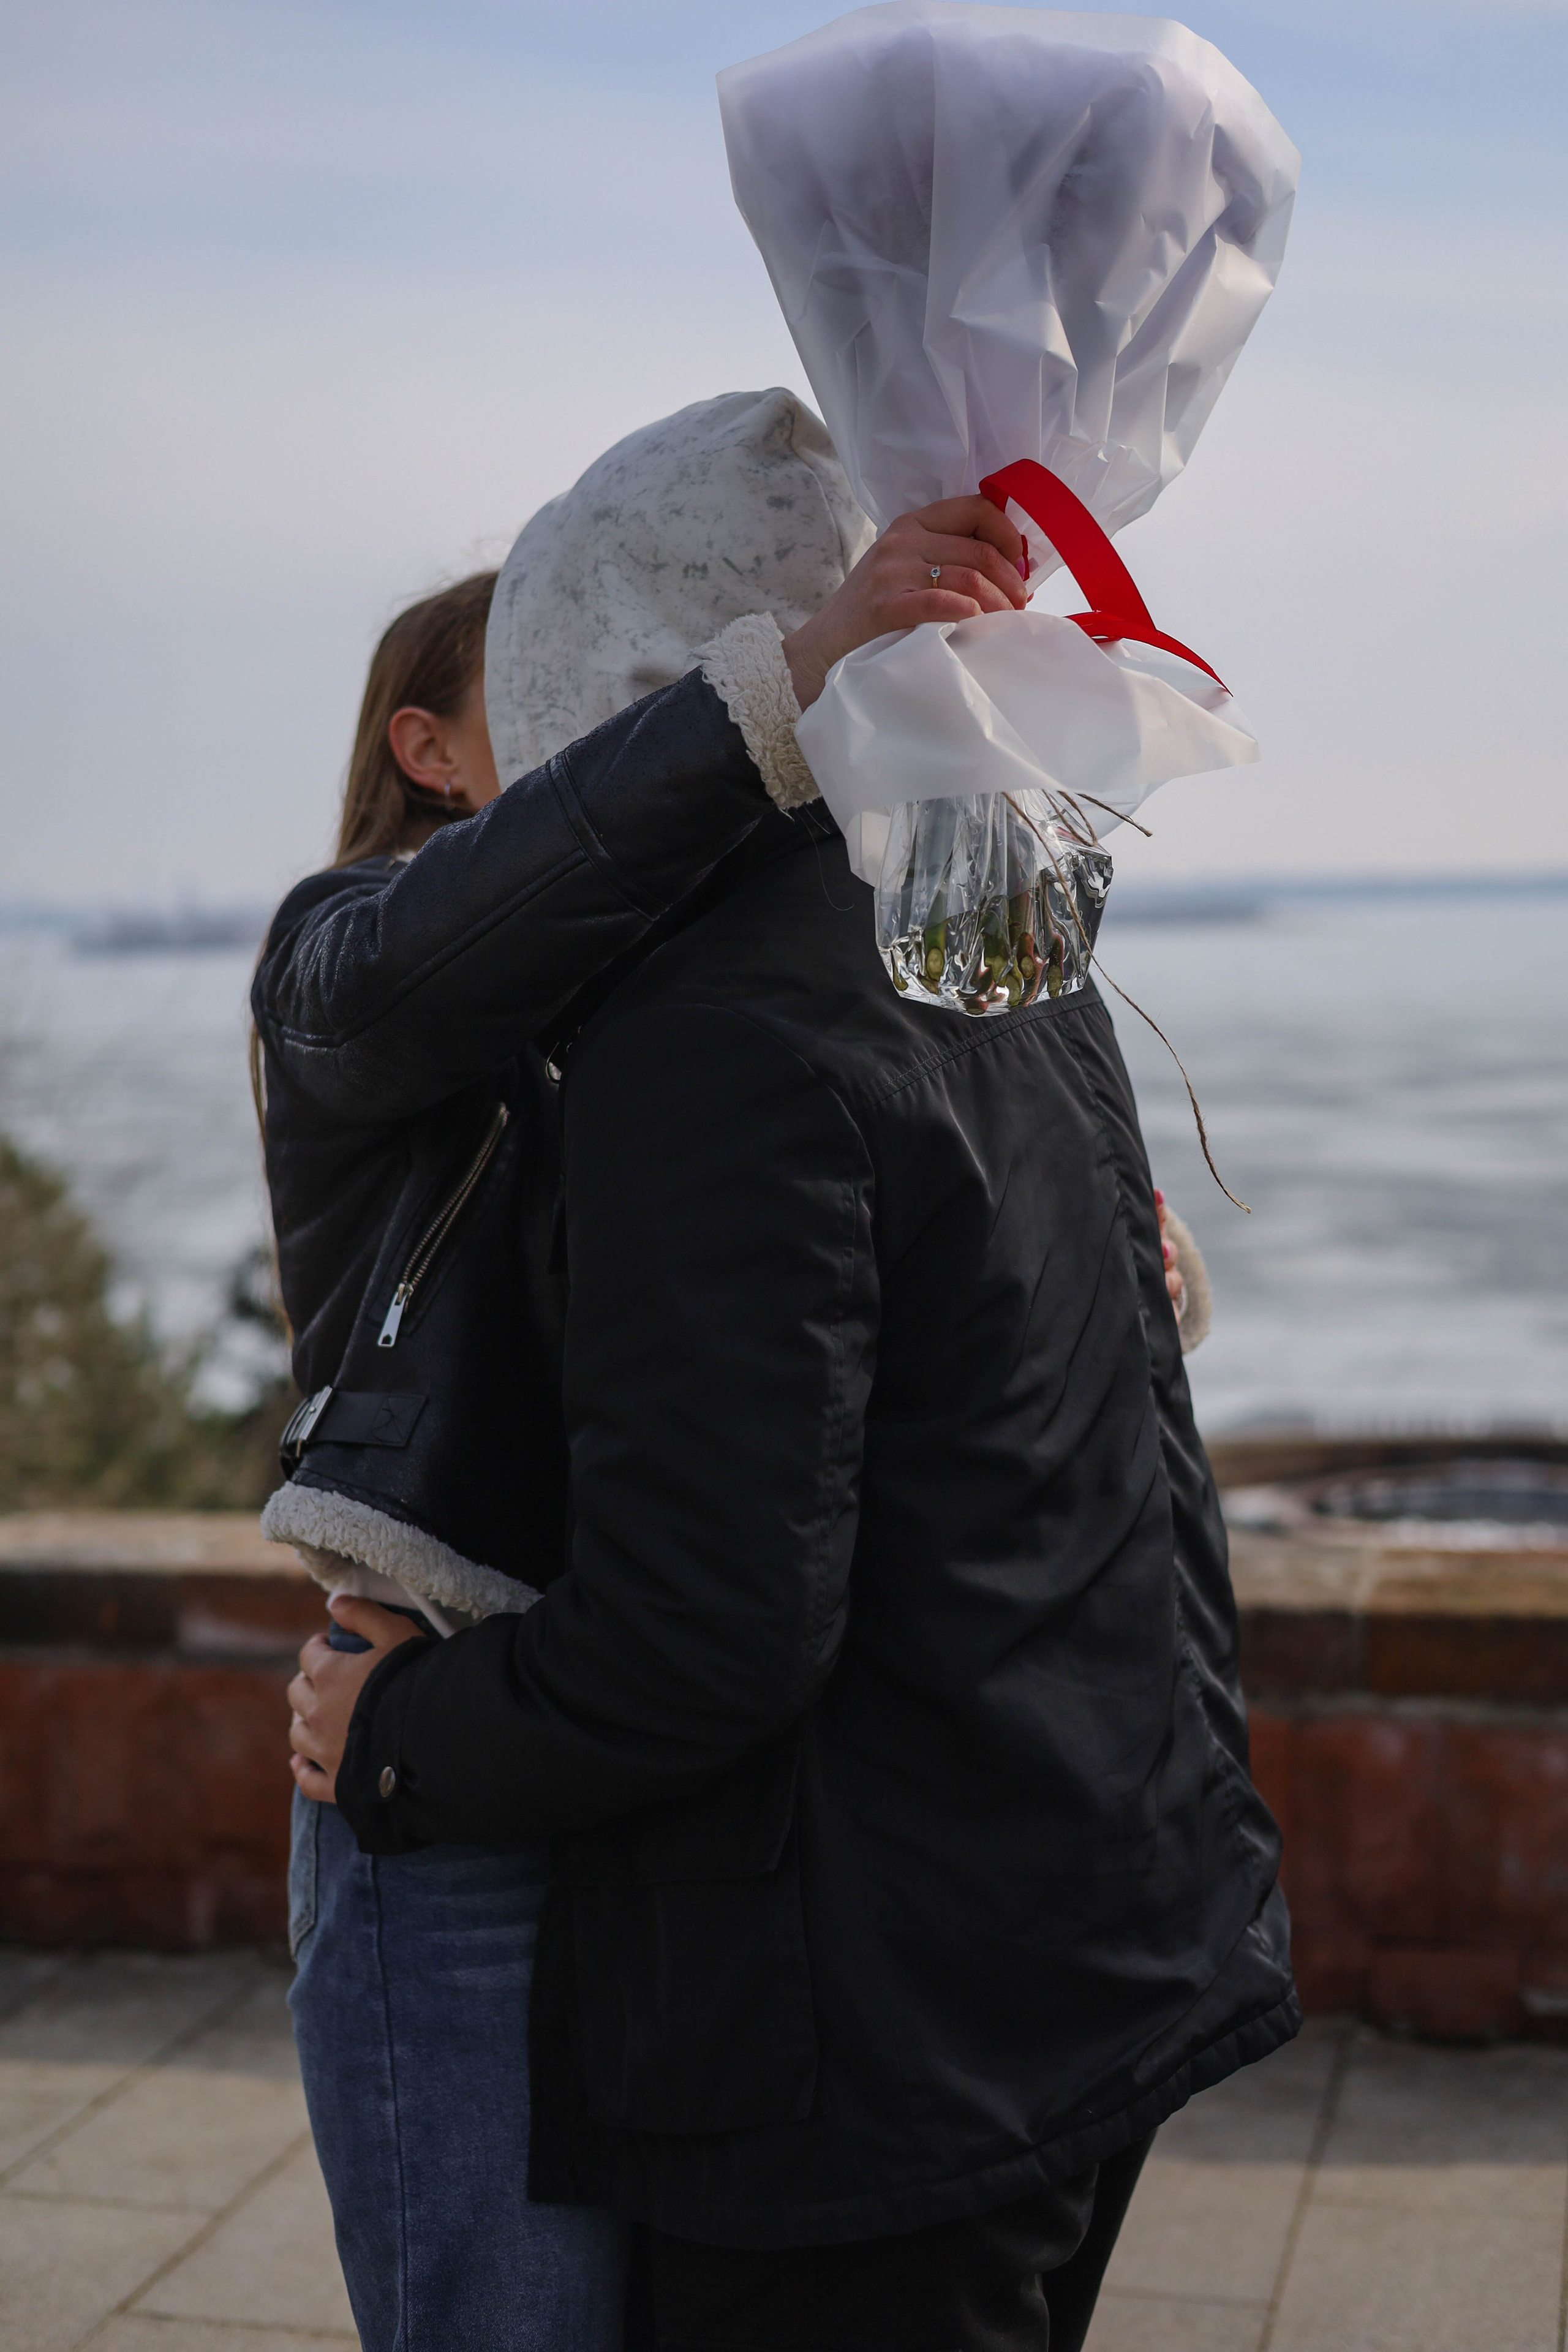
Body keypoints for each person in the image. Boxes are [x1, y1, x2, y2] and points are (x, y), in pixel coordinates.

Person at [281, 390, 1278, 2352]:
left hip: (726, 1846)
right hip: (642, 1784)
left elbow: (758, 1550)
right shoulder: (375, 953)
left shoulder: (769, 991)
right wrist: (803, 677)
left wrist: (1061, 1260)